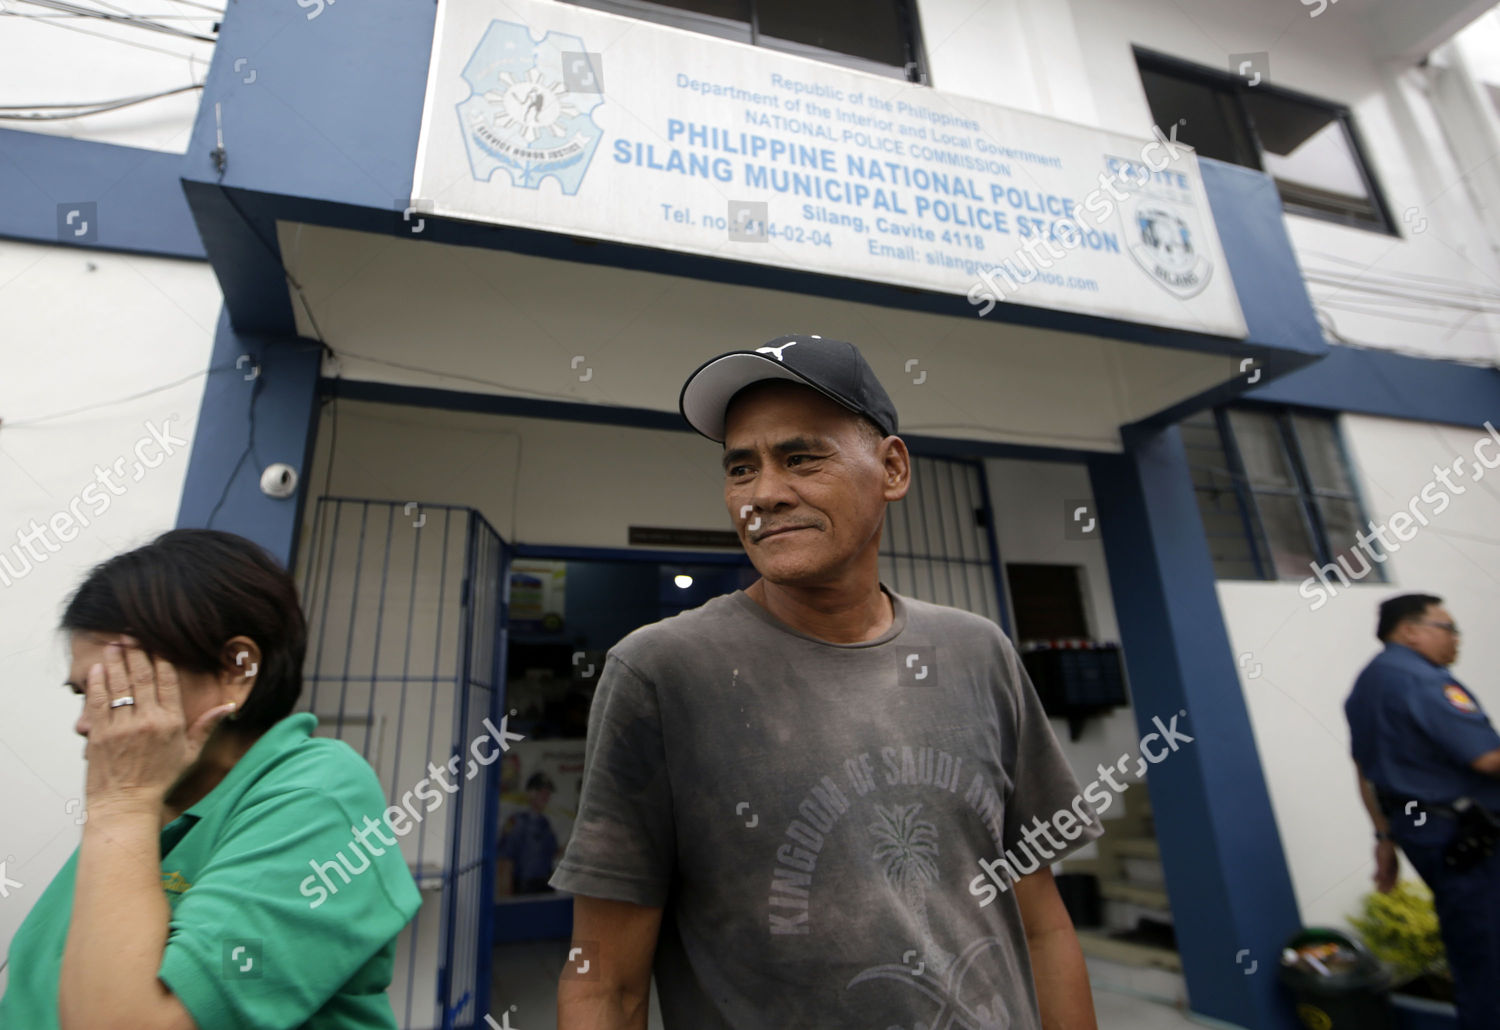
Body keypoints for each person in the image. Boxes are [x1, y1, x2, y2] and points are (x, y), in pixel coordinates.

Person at [552, 334, 1102, 1029]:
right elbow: (603, 981)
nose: (765, 494)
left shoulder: (978, 653)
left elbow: (1044, 928)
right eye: (740, 468)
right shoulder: (662, 672)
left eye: (801, 458)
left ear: (892, 468)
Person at [0, 529, 422, 1030]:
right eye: (81, 694)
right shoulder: (156, 802)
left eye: (116, 689)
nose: (86, 723)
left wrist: (123, 804)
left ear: (236, 669)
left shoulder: (318, 791)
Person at [1345, 593, 1500, 1030]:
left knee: (1474, 950)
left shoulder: (1366, 686)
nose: (1457, 640)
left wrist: (1384, 837)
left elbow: (1365, 771)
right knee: (1488, 956)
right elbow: (1487, 760)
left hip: (1421, 829)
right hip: (1468, 837)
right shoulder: (1424, 681)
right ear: (1409, 631)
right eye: (1447, 629)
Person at [498, 771, 561, 894]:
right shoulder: (517, 822)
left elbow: (553, 853)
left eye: (548, 792)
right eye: (540, 791)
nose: (545, 796)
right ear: (530, 793)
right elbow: (505, 862)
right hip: (524, 888)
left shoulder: (545, 823)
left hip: (545, 886)